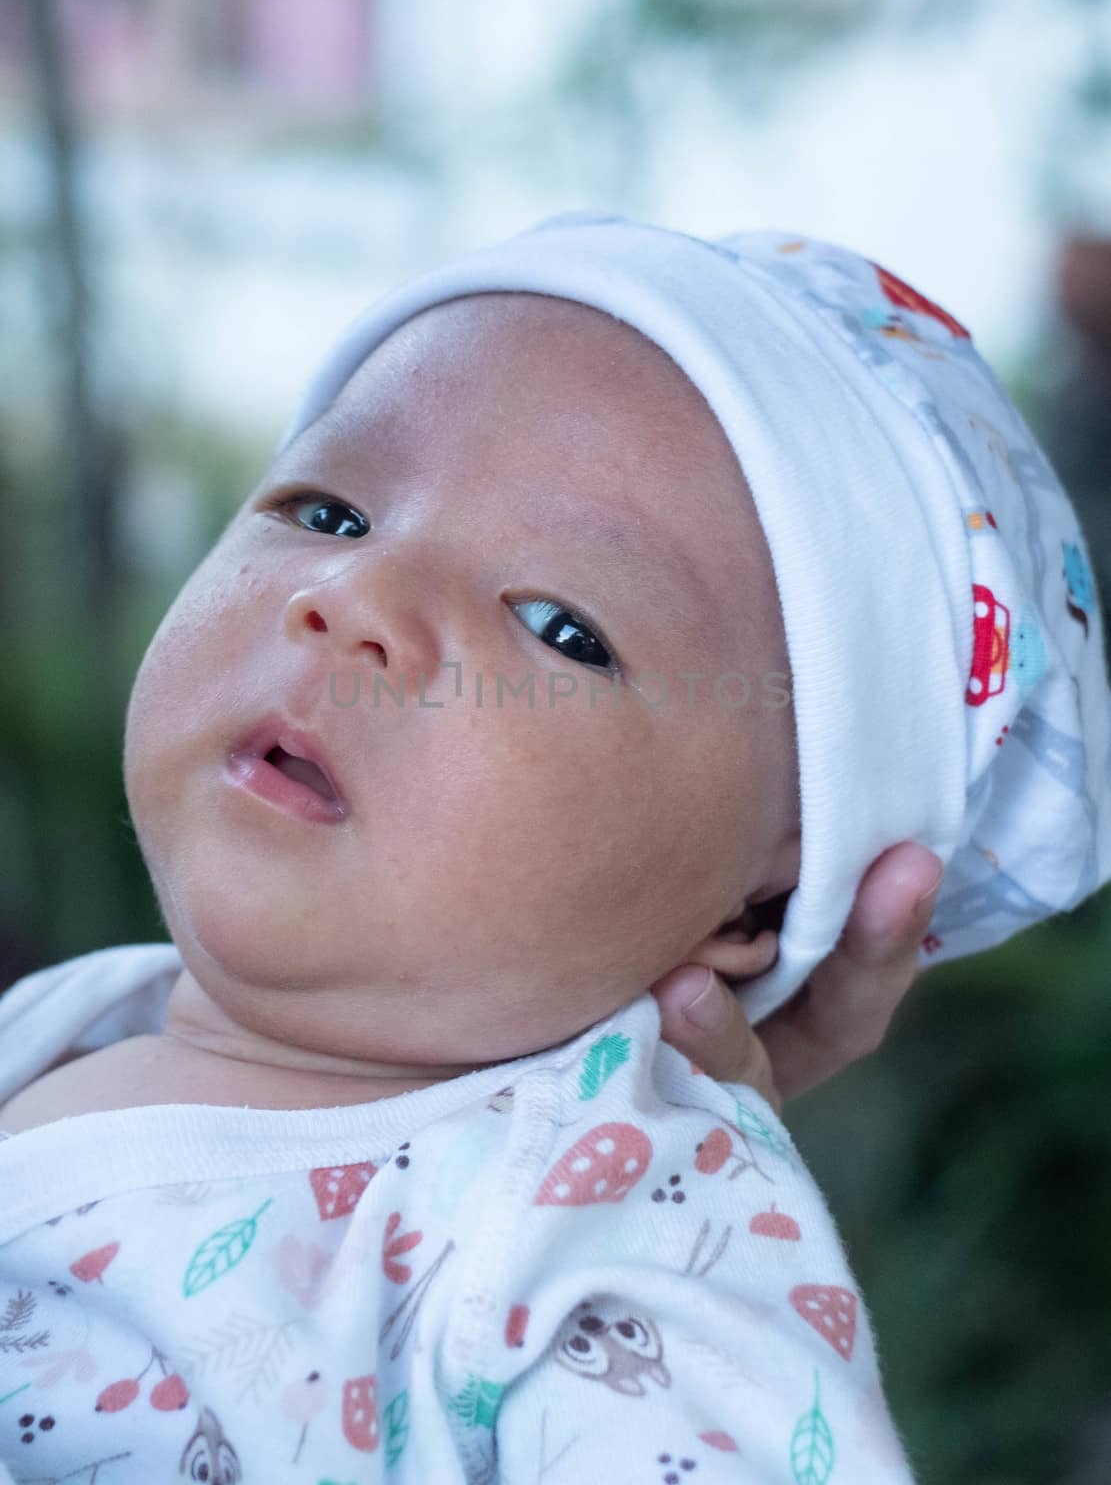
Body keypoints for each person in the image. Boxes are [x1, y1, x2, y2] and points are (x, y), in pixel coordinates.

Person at [1, 214, 1107, 1484]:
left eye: (559, 627)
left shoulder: (612, 1238)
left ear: (758, 904)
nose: (352, 600)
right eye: (328, 508)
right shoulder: (67, 1024)